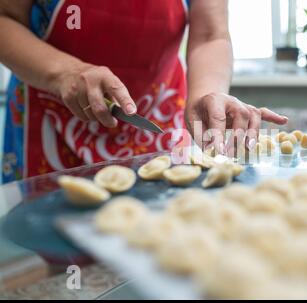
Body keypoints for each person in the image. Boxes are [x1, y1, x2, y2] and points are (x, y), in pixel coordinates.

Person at [0, 0, 287, 183]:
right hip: (52, 119)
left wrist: (206, 93)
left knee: (153, 231)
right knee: (61, 247)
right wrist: (65, 73)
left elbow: (211, 34)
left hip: (156, 120)